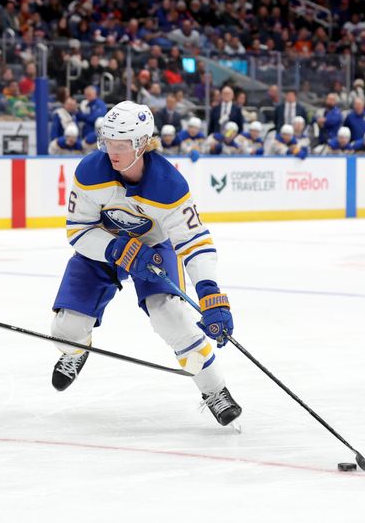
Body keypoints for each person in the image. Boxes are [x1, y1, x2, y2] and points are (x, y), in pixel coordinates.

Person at [50, 101, 241, 426]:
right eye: (108, 141)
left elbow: (194, 242)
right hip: (102, 247)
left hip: (153, 247)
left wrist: (209, 291)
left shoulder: (169, 185)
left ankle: (213, 389)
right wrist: (116, 249)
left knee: (173, 319)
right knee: (65, 329)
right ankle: (75, 350)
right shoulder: (90, 172)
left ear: (142, 144)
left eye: (121, 144)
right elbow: (78, 230)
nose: (112, 150)